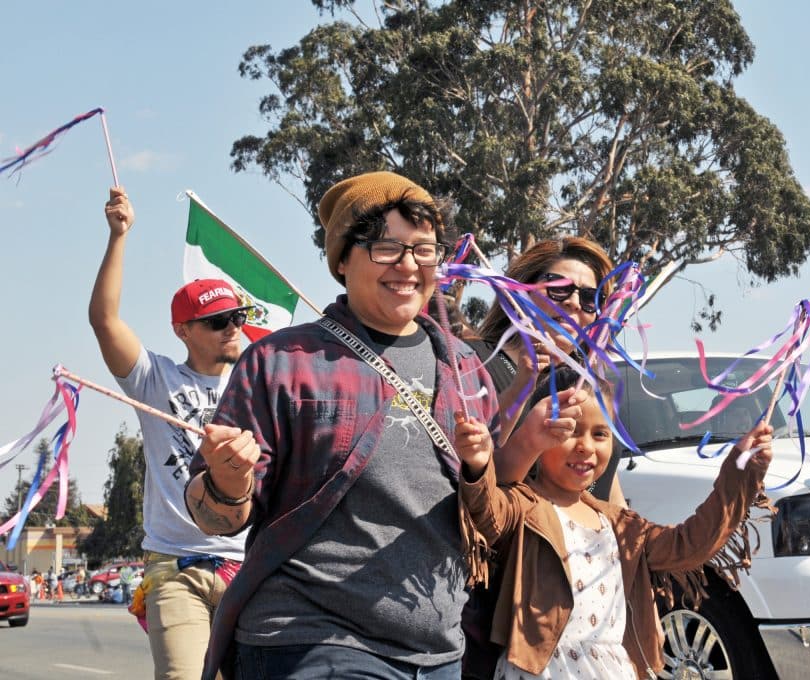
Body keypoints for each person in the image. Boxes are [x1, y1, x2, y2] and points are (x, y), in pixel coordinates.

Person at [186, 170, 580, 680]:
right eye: (386, 248)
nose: (409, 265)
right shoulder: (282, 361)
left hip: (437, 652)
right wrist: (228, 482)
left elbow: (490, 500)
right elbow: (213, 516)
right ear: (343, 259)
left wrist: (513, 445)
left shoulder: (464, 369)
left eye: (424, 249)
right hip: (310, 642)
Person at [453, 365, 774, 679]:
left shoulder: (620, 525)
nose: (586, 447)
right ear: (542, 435)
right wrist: (479, 464)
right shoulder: (525, 507)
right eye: (571, 431)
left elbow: (690, 544)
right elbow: (486, 513)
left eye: (600, 434)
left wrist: (740, 472)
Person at [90, 187, 250, 680]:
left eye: (238, 317)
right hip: (175, 569)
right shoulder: (156, 380)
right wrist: (119, 236)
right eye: (217, 321)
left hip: (251, 569)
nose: (232, 327)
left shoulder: (258, 382)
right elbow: (104, 320)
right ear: (183, 330)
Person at [470, 236, 627, 506]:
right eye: (559, 288)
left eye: (591, 297)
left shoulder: (588, 383)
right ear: (520, 291)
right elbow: (469, 469)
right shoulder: (473, 361)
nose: (575, 303)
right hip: (521, 542)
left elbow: (609, 488)